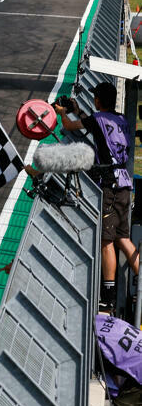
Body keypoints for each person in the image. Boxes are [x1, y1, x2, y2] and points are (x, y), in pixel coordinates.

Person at [54, 82, 138, 310]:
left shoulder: (97, 119)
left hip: (110, 185)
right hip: (124, 183)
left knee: (106, 241)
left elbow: (71, 125)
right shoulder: (120, 119)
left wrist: (63, 113)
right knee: (123, 239)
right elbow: (94, 123)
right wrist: (76, 108)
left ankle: (108, 296)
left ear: (98, 100)